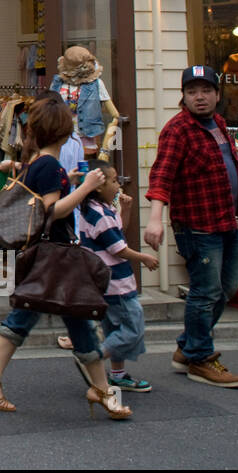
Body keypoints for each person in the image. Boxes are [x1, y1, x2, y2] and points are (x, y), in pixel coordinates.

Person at [0, 97, 132, 420]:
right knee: (73, 318)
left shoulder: (39, 163)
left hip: (47, 257)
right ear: (63, 131)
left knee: (57, 319)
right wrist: (85, 187)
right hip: (55, 255)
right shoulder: (49, 165)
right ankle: (100, 390)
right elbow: (51, 210)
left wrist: (71, 183)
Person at [145, 66, 238, 389]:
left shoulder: (218, 124)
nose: (200, 97)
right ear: (184, 97)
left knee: (227, 289)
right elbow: (161, 176)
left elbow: (228, 167)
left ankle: (188, 346)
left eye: (206, 90)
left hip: (226, 221)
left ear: (217, 95)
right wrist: (154, 218)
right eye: (192, 92)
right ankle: (200, 359)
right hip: (197, 226)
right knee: (205, 293)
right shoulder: (177, 130)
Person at [79, 163, 159, 392]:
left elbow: (117, 234)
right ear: (98, 186)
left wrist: (126, 210)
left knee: (114, 329)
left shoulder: (98, 209)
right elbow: (117, 248)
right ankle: (94, 358)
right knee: (133, 327)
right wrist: (143, 257)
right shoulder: (99, 213)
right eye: (114, 181)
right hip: (116, 283)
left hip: (107, 283)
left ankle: (117, 374)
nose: (118, 185)